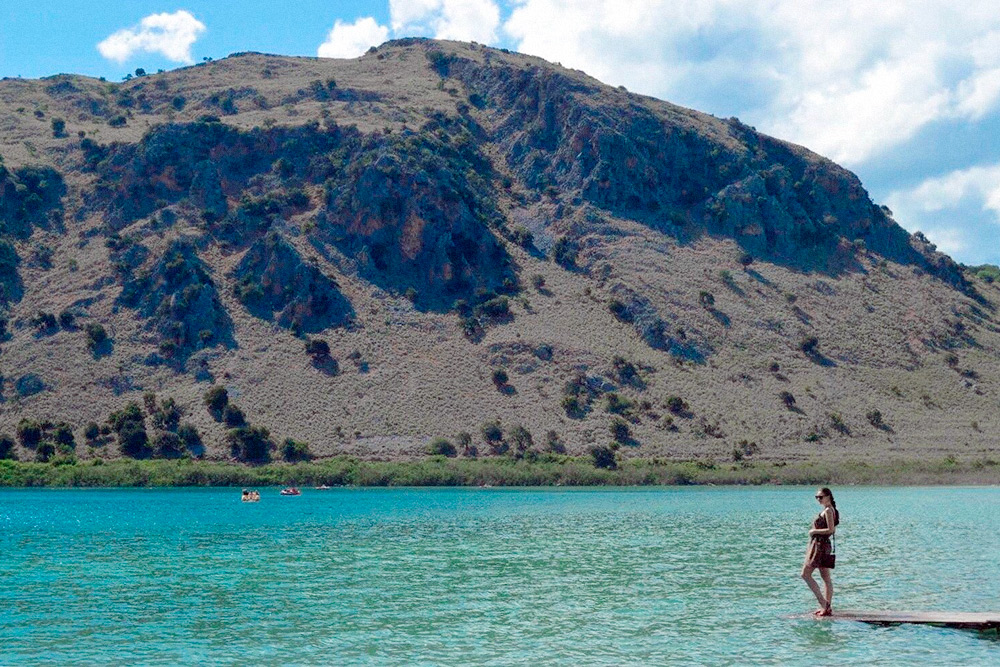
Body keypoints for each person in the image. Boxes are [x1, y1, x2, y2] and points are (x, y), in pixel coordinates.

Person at [801, 487, 839, 616]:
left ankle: (824, 604)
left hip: (820, 546)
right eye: (816, 497)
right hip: (822, 545)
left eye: (821, 497)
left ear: (828, 496)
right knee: (825, 577)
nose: (818, 499)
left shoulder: (828, 511)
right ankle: (826, 607)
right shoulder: (828, 510)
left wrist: (814, 531)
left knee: (805, 574)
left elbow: (831, 530)